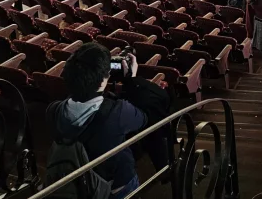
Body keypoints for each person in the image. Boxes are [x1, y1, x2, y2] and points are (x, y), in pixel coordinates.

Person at [48, 42, 170, 199]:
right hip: (116, 185)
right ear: (102, 81)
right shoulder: (118, 112)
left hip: (73, 180)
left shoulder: (53, 110)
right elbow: (145, 117)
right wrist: (131, 80)